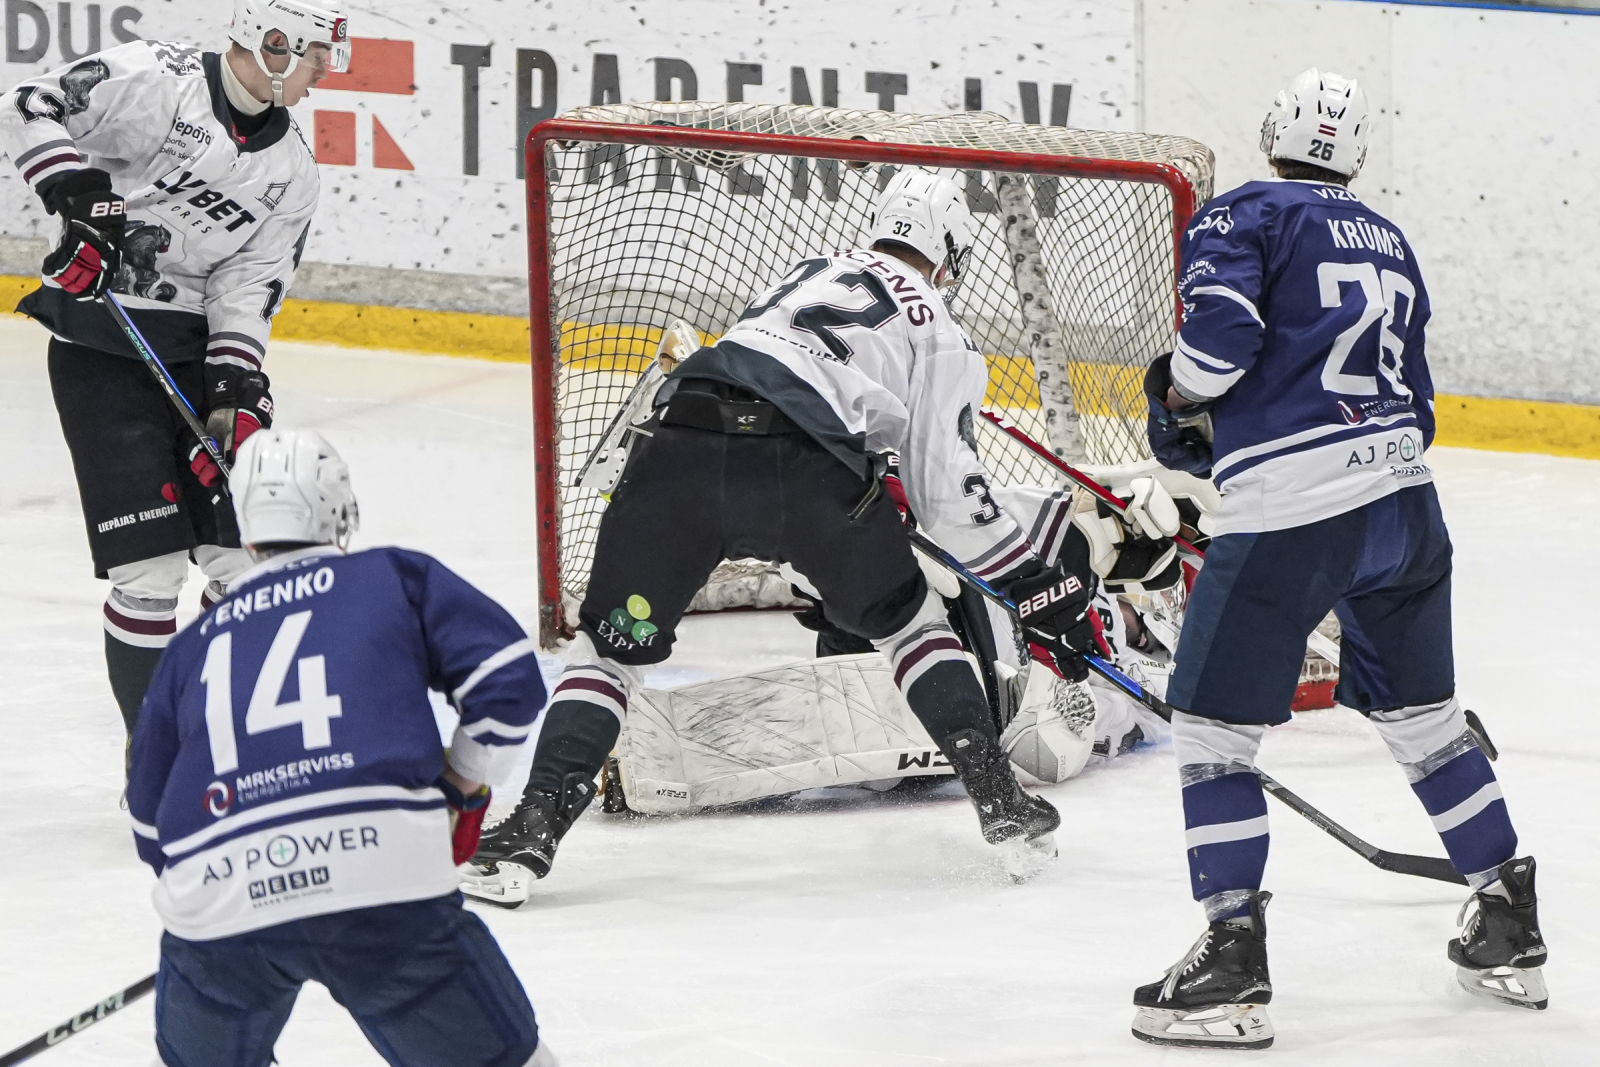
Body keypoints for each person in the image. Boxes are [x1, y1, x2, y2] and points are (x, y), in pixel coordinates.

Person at [475, 170, 1115, 888]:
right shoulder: (937, 324)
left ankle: (531, 829)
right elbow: (947, 498)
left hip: (678, 451)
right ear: (947, 255)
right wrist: (1032, 583)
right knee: (912, 627)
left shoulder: (807, 272)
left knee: (607, 652)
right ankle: (1000, 803)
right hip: (804, 477)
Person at [1131, 69, 1548, 1049]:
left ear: (1272, 131)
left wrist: (1176, 397)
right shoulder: (1391, 239)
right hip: (1406, 508)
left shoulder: (1244, 211)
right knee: (1427, 720)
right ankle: (1507, 920)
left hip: (1293, 511)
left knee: (1210, 732)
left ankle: (1230, 961)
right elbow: (1422, 405)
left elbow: (1218, 346)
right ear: (1355, 154)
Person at [127, 428, 557, 1067]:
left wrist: (235, 904)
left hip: (219, 902)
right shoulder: (390, 576)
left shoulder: (192, 646)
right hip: (382, 878)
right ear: (342, 511)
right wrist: (464, 785)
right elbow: (508, 684)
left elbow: (148, 819)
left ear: (246, 528)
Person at [0, 0, 345, 751]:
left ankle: (229, 745)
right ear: (274, 41)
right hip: (102, 344)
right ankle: (156, 763)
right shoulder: (159, 78)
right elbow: (27, 103)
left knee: (249, 563)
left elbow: (246, 288)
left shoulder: (292, 172)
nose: (325, 70)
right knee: (150, 575)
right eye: (318, 53)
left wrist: (235, 389)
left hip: (194, 358)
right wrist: (72, 193)